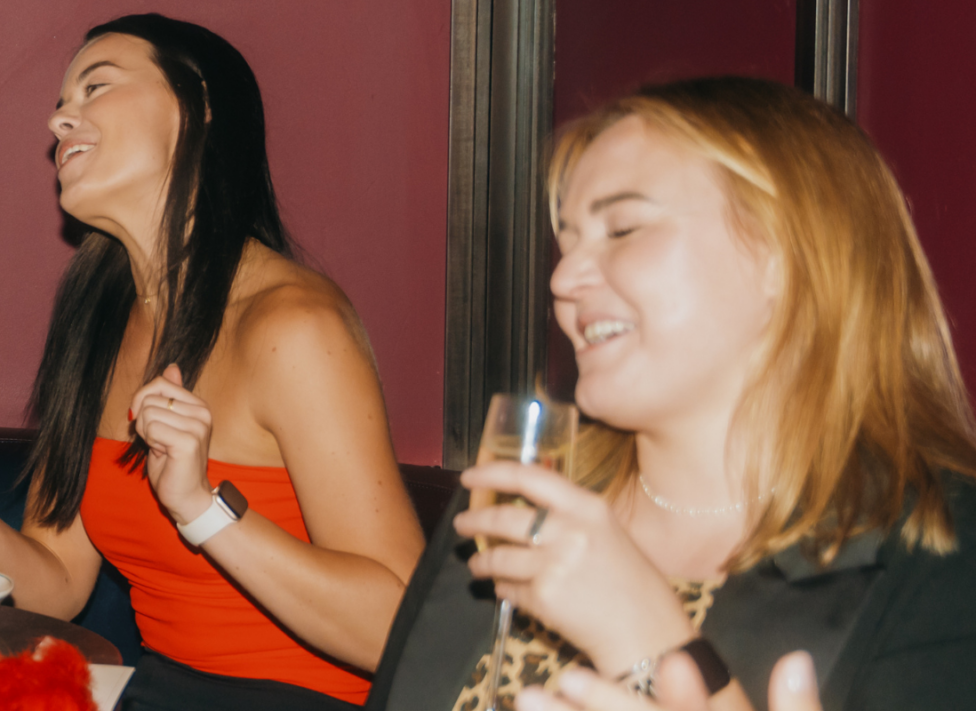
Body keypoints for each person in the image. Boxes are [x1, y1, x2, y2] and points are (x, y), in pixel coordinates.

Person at [0, 14, 423, 709]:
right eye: (60, 104)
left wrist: (202, 509)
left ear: (196, 106)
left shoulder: (294, 326)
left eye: (95, 88)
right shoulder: (99, 325)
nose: (59, 121)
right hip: (154, 692)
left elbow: (396, 628)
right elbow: (57, 584)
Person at [366, 77, 976, 711]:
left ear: (788, 258)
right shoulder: (523, 499)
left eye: (623, 229)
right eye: (566, 242)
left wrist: (647, 638)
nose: (563, 277)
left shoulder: (941, 554)